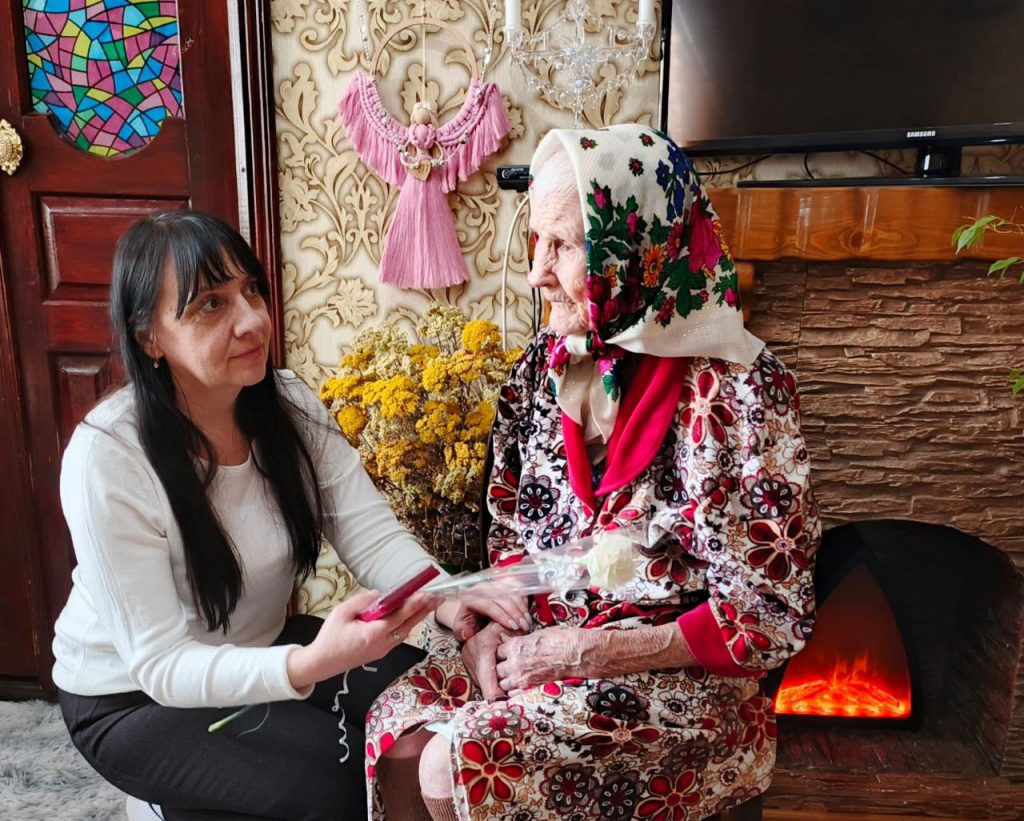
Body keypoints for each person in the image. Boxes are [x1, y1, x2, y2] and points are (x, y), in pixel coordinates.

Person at [366, 124, 821, 820]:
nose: (536, 272)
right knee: (399, 731)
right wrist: (489, 629)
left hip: (677, 674)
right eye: (536, 241)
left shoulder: (741, 392)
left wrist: (593, 653)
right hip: (540, 639)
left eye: (563, 245)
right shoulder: (541, 368)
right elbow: (511, 526)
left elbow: (771, 613)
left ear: (636, 250)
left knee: (461, 757)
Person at [52, 210, 531, 821]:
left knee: (432, 715)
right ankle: (169, 801)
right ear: (150, 337)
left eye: (250, 290)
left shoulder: (289, 404)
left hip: (262, 644)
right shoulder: (108, 456)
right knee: (339, 786)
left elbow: (369, 533)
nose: (252, 319)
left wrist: (447, 596)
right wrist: (313, 663)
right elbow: (162, 664)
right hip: (134, 699)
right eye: (211, 305)